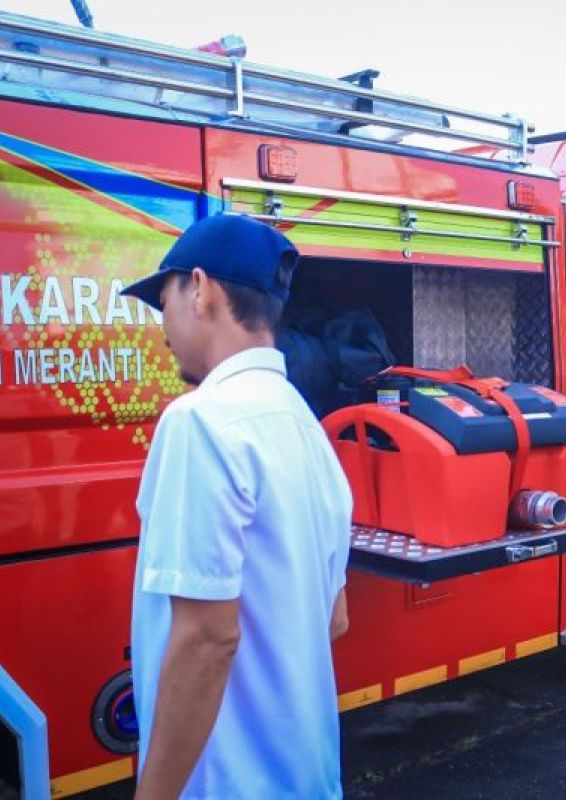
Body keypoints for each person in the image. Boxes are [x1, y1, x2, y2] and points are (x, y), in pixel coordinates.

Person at [120, 214, 353, 799]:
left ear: (201, 288)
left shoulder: (201, 421)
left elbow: (206, 638)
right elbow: (335, 618)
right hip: (306, 776)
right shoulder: (306, 426)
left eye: (163, 300)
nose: (162, 325)